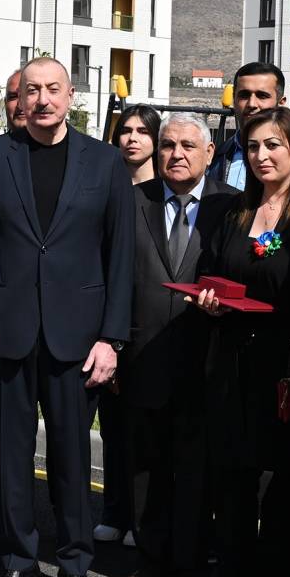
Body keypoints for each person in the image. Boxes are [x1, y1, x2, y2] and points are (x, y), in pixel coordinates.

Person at [0, 55, 136, 577]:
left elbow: (120, 257)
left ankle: (75, 563)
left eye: (52, 89)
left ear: (72, 95)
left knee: (70, 455)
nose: (42, 99)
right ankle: (16, 562)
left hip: (78, 336)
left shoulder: (105, 163)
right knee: (11, 454)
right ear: (20, 97)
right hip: (6, 331)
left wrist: (112, 338)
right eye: (31, 90)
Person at [194, 106, 290, 577]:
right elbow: (219, 271)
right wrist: (209, 298)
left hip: (288, 366)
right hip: (230, 359)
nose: (261, 156)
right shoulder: (234, 211)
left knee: (287, 488)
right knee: (232, 482)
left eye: (273, 145)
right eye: (253, 147)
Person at [115, 112, 232, 577]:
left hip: (206, 360)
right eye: (167, 145)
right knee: (148, 467)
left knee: (196, 470)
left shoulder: (232, 207)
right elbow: (115, 277)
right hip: (144, 356)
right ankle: (152, 559)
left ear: (209, 153)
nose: (176, 154)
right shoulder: (130, 201)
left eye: (188, 146)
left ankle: (189, 564)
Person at [96, 102, 164, 545]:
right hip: (111, 330)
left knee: (150, 435)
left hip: (155, 333)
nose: (132, 138)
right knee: (115, 426)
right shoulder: (105, 187)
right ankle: (115, 510)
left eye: (142, 130)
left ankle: (146, 517)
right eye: (125, 130)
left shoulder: (164, 194)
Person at [213, 62, 290, 191]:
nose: (252, 104)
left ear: (281, 102)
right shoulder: (219, 156)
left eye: (262, 96)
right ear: (234, 100)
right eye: (244, 95)